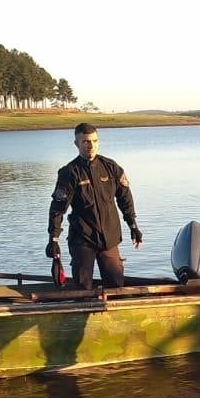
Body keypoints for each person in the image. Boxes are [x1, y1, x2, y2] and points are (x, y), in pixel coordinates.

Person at [45, 122, 143, 290]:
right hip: (83, 239)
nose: (91, 146)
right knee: (83, 287)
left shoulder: (111, 167)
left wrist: (133, 226)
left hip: (110, 238)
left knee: (116, 285)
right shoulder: (69, 172)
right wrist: (53, 238)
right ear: (77, 144)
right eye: (85, 142)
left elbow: (125, 199)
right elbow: (57, 209)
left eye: (94, 141)